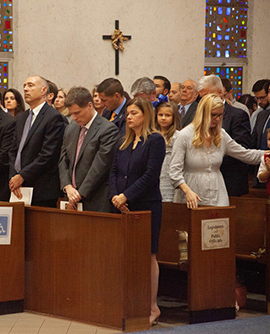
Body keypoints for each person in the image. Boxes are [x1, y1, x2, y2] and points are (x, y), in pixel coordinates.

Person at [109, 97, 165, 326]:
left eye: (134, 113)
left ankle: (152, 306)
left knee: (149, 255)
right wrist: (116, 197)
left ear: (146, 115)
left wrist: (126, 195)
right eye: (128, 113)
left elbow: (151, 175)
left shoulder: (155, 140)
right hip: (122, 206)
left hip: (146, 204)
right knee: (125, 254)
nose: (129, 117)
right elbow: (113, 171)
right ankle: (128, 304)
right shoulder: (124, 141)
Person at [170, 94, 263, 207]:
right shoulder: (184, 135)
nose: (217, 119)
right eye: (213, 115)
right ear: (202, 113)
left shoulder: (221, 135)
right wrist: (187, 191)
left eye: (220, 115)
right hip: (191, 192)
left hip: (218, 193)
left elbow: (245, 154)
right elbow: (175, 172)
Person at [9, 75, 66, 207]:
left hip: (41, 189)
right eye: (24, 86)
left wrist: (22, 176)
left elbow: (48, 154)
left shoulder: (53, 117)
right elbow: (13, 150)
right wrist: (13, 177)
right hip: (17, 186)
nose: (25, 89)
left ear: (43, 90)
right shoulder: (22, 117)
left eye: (30, 85)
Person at [59, 87, 118, 212]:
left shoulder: (107, 129)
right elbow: (63, 160)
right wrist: (67, 186)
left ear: (90, 106)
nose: (74, 118)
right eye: (71, 114)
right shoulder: (71, 128)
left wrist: (79, 194)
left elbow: (100, 167)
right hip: (70, 196)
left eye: (77, 113)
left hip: (95, 199)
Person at [199, 74, 252, 197]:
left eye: (207, 95)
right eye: (201, 97)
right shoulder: (198, 114)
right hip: (204, 182)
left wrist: (212, 159)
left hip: (229, 180)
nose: (203, 101)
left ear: (220, 92)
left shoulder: (237, 115)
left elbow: (242, 147)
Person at [155, 102, 181, 202]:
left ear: (174, 117)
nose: (163, 118)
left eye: (167, 115)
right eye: (160, 115)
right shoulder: (152, 133)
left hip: (170, 168)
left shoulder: (177, 135)